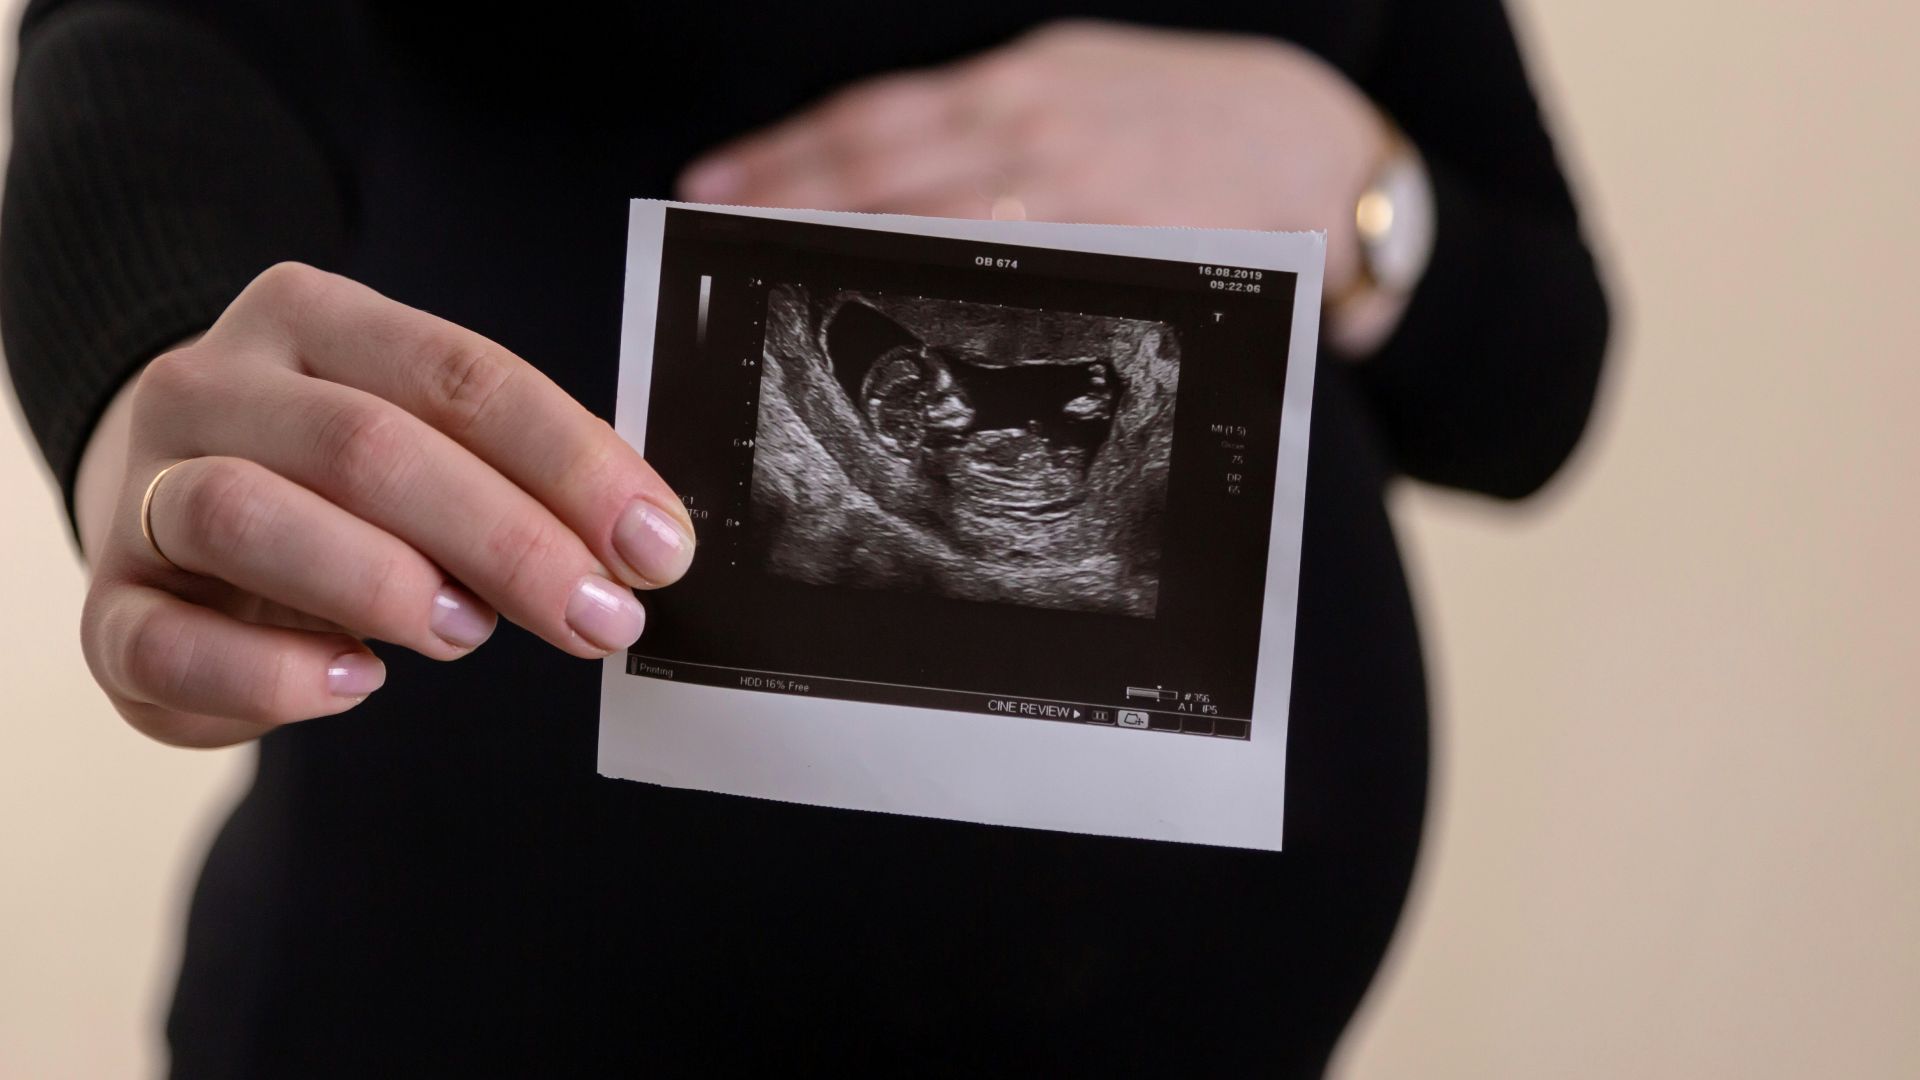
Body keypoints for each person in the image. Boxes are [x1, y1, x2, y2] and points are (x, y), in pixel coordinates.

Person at [1, 2, 1607, 1075]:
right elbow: (172, 32)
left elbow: (1534, 380)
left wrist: (1362, 185)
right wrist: (148, 366)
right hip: (473, 983)